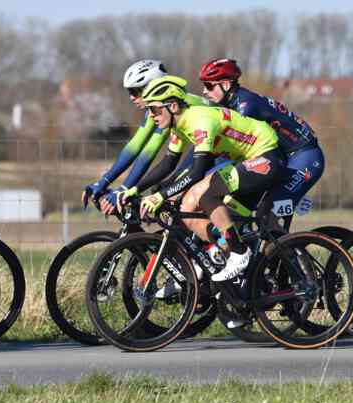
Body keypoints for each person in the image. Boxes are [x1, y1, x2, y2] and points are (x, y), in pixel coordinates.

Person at [124, 75, 284, 283]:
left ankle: (238, 252)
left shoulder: (199, 121)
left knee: (208, 196)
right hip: (246, 160)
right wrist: (135, 188)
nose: (151, 115)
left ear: (172, 106)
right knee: (188, 204)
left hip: (266, 157)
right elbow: (168, 163)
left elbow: (198, 170)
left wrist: (160, 196)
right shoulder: (179, 124)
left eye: (154, 109)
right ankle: (209, 258)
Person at [199, 58, 323, 222]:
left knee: (268, 216)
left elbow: (229, 151)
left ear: (226, 85)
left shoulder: (245, 106)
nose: (204, 91)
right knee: (237, 211)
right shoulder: (230, 105)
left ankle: (283, 246)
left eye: (209, 85)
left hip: (303, 156)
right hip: (280, 158)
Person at [82, 59, 211, 215]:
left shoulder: (170, 107)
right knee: (161, 193)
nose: (131, 98)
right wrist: (102, 183)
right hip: (203, 149)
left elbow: (149, 152)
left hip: (220, 149)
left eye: (135, 92)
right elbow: (135, 146)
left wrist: (123, 190)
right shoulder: (155, 110)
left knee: (174, 200)